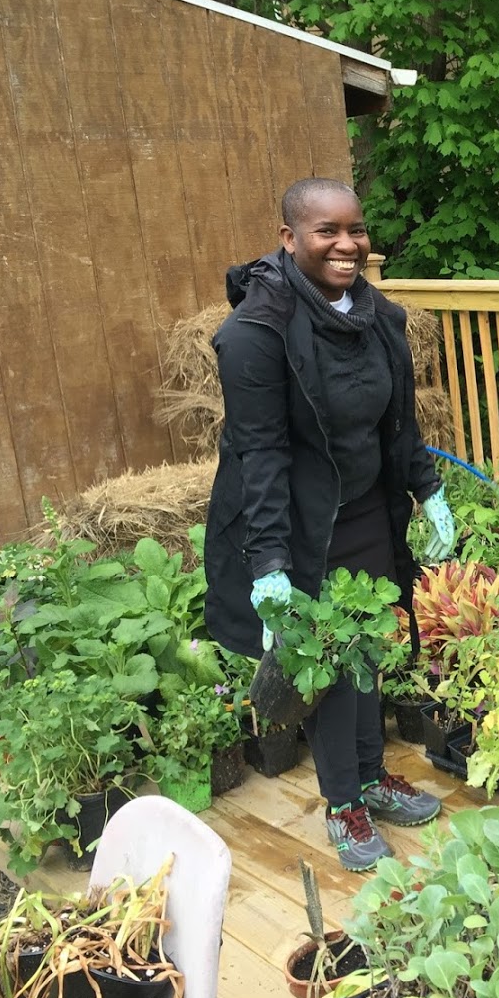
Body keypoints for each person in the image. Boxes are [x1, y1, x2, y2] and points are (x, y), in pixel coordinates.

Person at [203, 177, 456, 872]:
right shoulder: (255, 333)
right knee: (325, 668)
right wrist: (268, 562)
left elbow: (398, 422)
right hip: (301, 525)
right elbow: (259, 452)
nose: (347, 245)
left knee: (370, 647)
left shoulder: (379, 317)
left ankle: (373, 778)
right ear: (290, 239)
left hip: (368, 511)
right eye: (327, 232)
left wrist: (427, 491)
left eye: (356, 230)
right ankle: (343, 802)